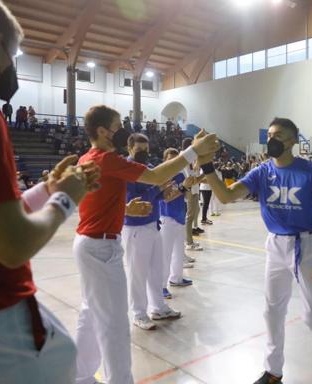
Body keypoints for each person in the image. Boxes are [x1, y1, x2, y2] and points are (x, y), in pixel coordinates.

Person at [0, 2, 99, 382]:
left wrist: (47, 189)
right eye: (13, 54)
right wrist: (67, 197)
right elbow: (11, 245)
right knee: (65, 361)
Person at [72, 105, 218, 384]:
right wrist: (193, 151)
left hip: (91, 242)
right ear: (103, 131)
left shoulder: (88, 159)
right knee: (114, 323)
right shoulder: (106, 159)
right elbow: (154, 176)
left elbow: (92, 202)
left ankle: (80, 375)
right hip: (101, 246)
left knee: (91, 311)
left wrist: (124, 209)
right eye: (118, 127)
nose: (122, 131)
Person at [201, 118, 312, 384]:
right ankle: (273, 372)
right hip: (276, 245)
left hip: (307, 245)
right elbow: (225, 196)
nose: (272, 139)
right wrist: (206, 163)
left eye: (278, 135)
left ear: (292, 140)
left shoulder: (311, 171)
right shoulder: (261, 172)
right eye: (269, 134)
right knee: (272, 311)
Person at [122, 133, 181, 331]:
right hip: (135, 227)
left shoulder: (148, 170)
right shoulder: (127, 170)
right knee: (137, 273)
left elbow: (155, 195)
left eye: (146, 150)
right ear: (129, 149)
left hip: (153, 224)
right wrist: (157, 188)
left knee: (156, 269)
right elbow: (134, 199)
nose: (144, 154)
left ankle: (158, 307)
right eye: (140, 150)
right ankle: (138, 313)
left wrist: (164, 192)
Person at [160, 148, 194, 297]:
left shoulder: (180, 174)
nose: (174, 162)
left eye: (176, 160)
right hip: (167, 218)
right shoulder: (161, 175)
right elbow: (167, 197)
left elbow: (184, 193)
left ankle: (176, 278)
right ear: (165, 160)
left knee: (179, 252)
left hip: (179, 216)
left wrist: (191, 183)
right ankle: (160, 286)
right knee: (165, 255)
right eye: (171, 159)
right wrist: (183, 187)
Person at [181, 138, 204, 250]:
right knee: (189, 217)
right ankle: (189, 242)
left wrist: (197, 168)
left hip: (193, 189)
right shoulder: (183, 158)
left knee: (193, 214)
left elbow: (194, 173)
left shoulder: (189, 158)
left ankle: (190, 240)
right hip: (189, 189)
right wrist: (203, 175)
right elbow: (190, 177)